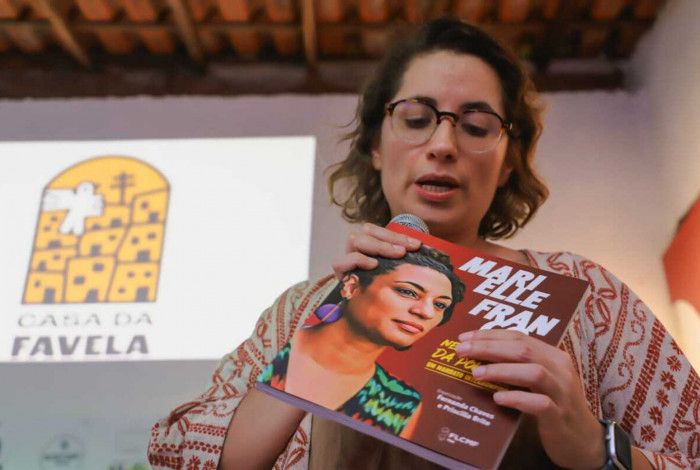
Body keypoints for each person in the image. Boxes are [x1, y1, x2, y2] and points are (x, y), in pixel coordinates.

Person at [148, 18, 700, 470]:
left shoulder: (587, 294)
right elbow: (176, 454)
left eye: (476, 127)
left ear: (509, 161)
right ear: (375, 147)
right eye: (415, 119)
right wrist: (315, 347)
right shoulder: (298, 309)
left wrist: (596, 449)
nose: (442, 144)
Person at [258, 245, 466, 438]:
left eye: (440, 305)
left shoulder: (401, 403)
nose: (426, 312)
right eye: (408, 292)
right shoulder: (283, 334)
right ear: (351, 287)